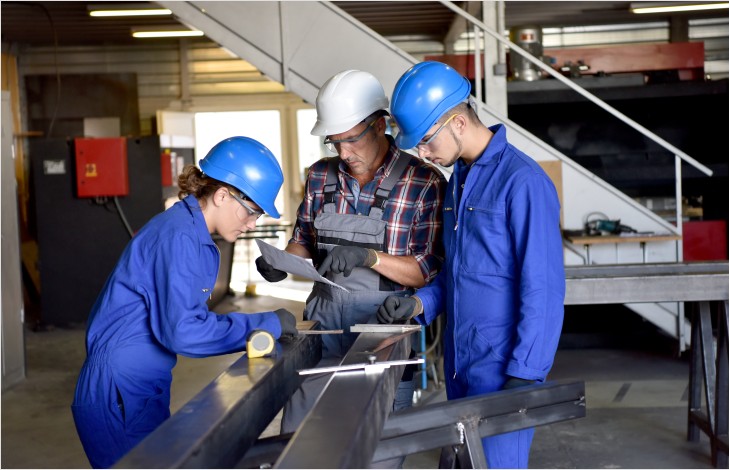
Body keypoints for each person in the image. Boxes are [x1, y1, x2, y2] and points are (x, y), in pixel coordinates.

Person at [377, 61, 565, 469]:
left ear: (458, 123)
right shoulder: (459, 182)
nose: (423, 154)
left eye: (425, 141)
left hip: (503, 370)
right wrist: (420, 304)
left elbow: (544, 289)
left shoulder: (523, 182)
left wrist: (525, 373)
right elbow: (461, 271)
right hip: (461, 365)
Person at [71, 136, 298, 469]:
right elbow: (184, 332)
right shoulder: (179, 236)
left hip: (142, 386)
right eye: (253, 212)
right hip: (117, 393)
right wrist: (265, 323)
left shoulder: (192, 233)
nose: (253, 223)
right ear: (222, 195)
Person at [255, 70, 447, 438]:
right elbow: (304, 242)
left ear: (380, 126)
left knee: (378, 446)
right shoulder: (319, 176)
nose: (343, 153)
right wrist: (279, 262)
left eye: (351, 140)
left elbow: (427, 269)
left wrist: (368, 257)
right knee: (300, 442)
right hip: (321, 332)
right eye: (334, 142)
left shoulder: (424, 182)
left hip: (383, 333)